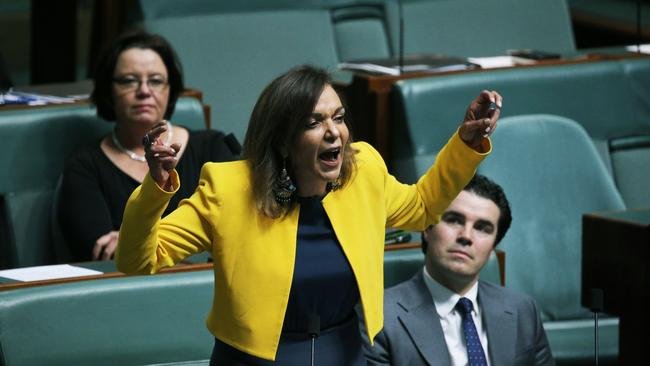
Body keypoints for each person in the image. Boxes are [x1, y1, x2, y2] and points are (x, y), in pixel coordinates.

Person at [116, 65, 502, 365]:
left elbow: (422, 208)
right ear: (283, 139)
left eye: (338, 117)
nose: (334, 132)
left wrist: (466, 144)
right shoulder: (228, 190)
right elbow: (137, 260)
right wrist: (155, 189)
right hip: (254, 361)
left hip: (346, 353)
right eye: (314, 122)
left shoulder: (363, 172)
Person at [58, 31, 240, 261]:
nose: (144, 91)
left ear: (170, 90)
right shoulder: (85, 165)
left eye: (155, 81)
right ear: (108, 90)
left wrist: (131, 240)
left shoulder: (213, 147)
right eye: (129, 80)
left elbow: (236, 228)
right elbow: (102, 253)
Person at [362, 174, 554, 366]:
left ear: (493, 246)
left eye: (483, 228)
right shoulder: (378, 317)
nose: (466, 236)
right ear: (427, 228)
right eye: (454, 220)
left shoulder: (523, 310)